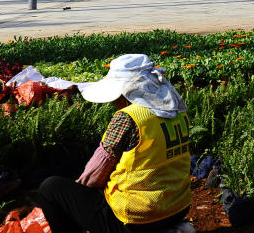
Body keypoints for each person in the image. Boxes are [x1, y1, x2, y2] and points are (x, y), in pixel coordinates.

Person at [36, 54, 192, 233]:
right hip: (178, 207)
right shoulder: (177, 110)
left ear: (127, 92)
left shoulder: (128, 117)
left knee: (51, 188)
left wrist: (76, 200)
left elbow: (94, 175)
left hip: (137, 216)